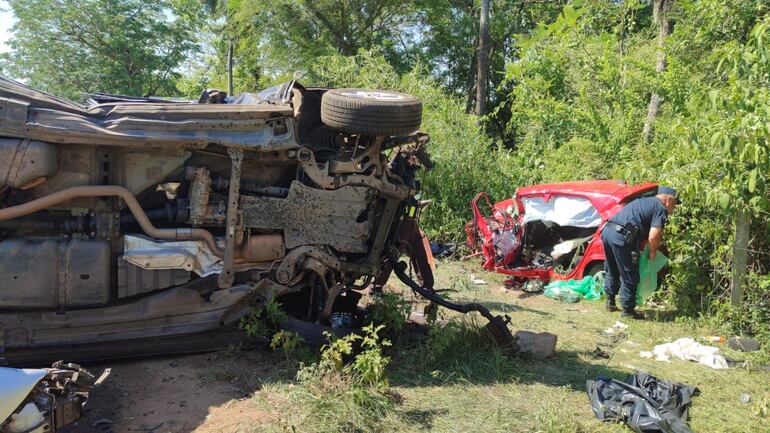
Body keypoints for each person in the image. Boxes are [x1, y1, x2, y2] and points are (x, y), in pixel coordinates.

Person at [601, 186, 678, 319]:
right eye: (675, 204)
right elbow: (654, 235)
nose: (674, 208)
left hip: (607, 231)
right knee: (629, 272)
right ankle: (628, 310)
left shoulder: (643, 201)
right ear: (668, 199)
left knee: (612, 268)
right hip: (622, 237)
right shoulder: (660, 208)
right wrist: (653, 252)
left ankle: (610, 301)